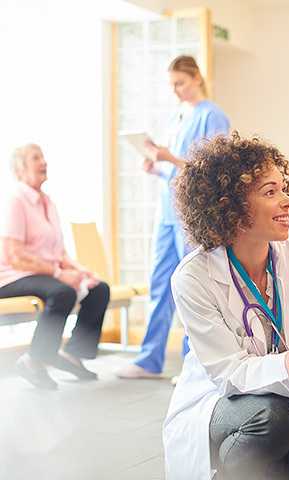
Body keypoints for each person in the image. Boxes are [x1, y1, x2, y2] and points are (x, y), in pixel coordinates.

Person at [162, 133, 289, 480]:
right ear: (229, 206)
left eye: (284, 188)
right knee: (273, 416)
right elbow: (228, 371)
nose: (288, 201)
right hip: (217, 401)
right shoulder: (194, 277)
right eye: (270, 192)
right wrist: (286, 368)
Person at [117, 55, 230, 379]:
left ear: (196, 78)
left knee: (192, 285)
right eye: (172, 85)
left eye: (180, 83)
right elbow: (178, 170)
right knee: (160, 283)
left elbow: (213, 170)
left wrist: (171, 157)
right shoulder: (178, 117)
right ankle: (149, 359)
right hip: (167, 212)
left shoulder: (213, 116)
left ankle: (195, 364)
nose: (176, 91)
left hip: (191, 214)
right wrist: (158, 166)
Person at [0, 144, 110, 390]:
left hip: (43, 273)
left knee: (98, 288)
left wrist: (82, 271)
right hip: (11, 277)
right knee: (63, 292)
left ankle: (73, 354)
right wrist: (60, 274)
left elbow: (58, 252)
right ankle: (34, 360)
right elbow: (13, 255)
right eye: (35, 158)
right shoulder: (15, 200)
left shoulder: (47, 202)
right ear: (20, 169)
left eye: (43, 157)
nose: (43, 162)